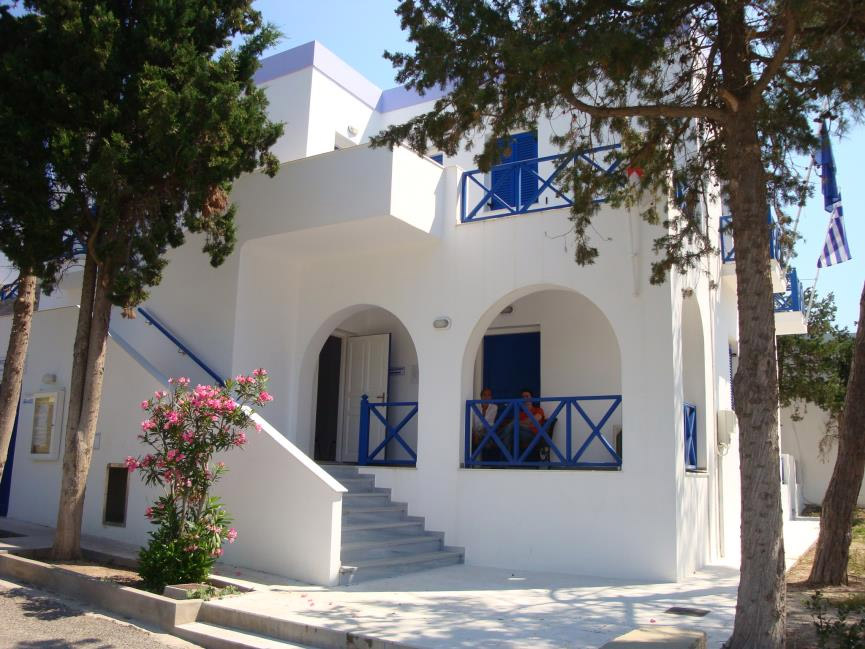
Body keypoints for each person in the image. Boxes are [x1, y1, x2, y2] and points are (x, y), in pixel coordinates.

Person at [471, 388, 498, 456]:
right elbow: (472, 422)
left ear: (491, 397)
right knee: (487, 441)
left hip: (486, 431)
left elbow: (490, 423)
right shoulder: (475, 406)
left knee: (487, 433)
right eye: (484, 395)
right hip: (475, 432)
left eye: (489, 395)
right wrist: (475, 433)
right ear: (481, 396)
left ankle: (480, 459)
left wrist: (477, 434)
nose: (486, 397)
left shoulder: (494, 407)